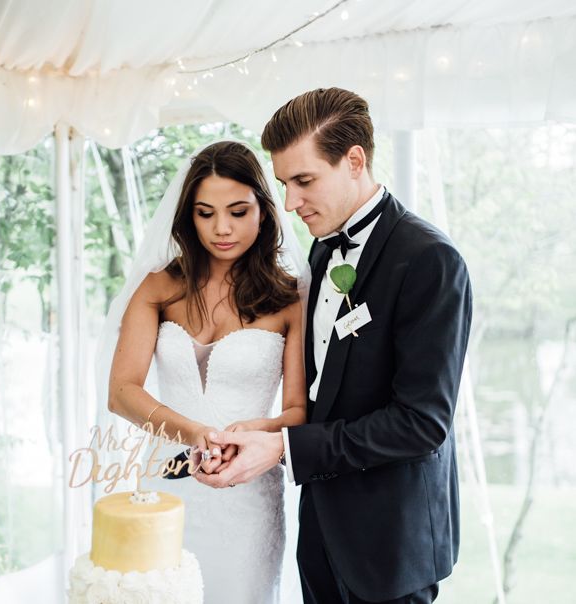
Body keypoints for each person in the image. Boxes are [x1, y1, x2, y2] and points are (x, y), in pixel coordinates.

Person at [195, 88, 473, 604]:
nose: (290, 202)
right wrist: (266, 431)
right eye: (283, 184)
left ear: (354, 161)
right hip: (321, 530)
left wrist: (285, 448)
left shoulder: (431, 259)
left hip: (392, 544)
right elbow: (332, 392)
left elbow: (421, 423)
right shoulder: (322, 250)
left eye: (304, 181)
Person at [99, 140, 309, 604]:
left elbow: (297, 411)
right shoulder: (158, 287)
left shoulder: (292, 298)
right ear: (187, 216)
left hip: (247, 493)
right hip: (165, 486)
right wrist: (196, 433)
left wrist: (242, 437)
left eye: (238, 211)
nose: (221, 229)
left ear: (265, 211)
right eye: (205, 212)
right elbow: (121, 391)